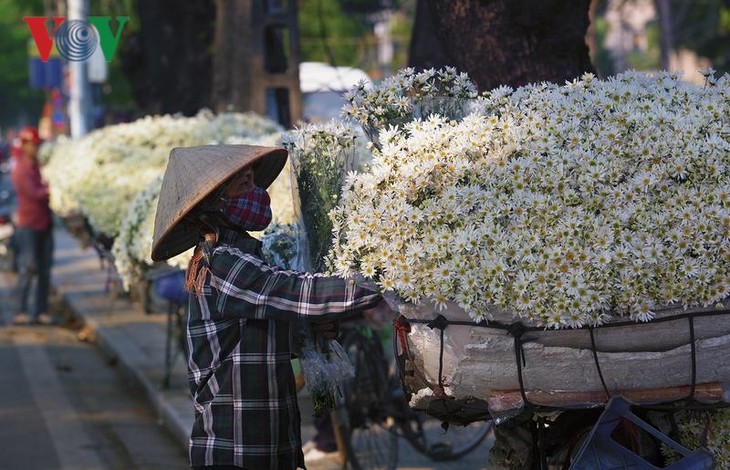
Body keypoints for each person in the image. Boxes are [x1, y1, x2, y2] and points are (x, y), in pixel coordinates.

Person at [150, 144, 382, 470]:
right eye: (243, 185)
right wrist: (380, 280)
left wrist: (308, 331)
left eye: (253, 182)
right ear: (215, 204)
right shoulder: (223, 263)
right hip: (235, 450)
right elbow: (295, 290)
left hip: (268, 445)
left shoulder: (242, 256)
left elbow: (257, 341)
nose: (257, 192)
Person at [11, 126, 53, 326]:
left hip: (45, 223)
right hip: (28, 225)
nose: (36, 148)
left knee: (44, 270)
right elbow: (34, 194)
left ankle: (41, 311)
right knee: (28, 268)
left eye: (37, 144)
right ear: (25, 145)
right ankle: (20, 310)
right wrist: (52, 189)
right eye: (33, 144)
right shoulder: (21, 169)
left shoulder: (38, 166)